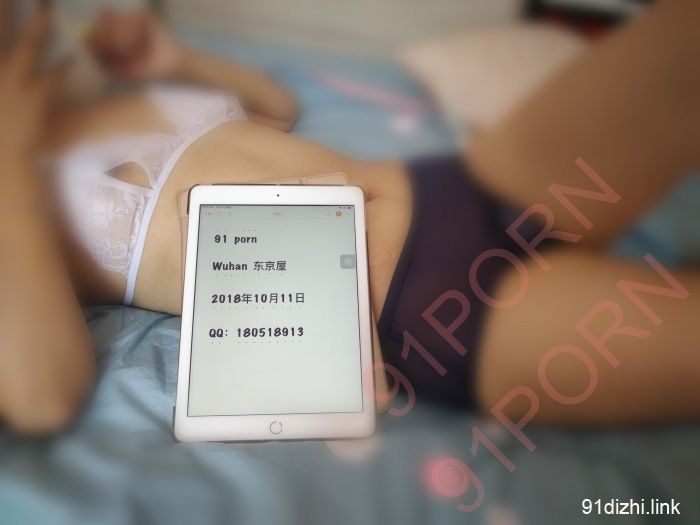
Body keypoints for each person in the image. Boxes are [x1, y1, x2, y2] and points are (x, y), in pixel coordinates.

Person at [1, 0, 698, 435]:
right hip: (427, 310)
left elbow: (275, 111)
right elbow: (41, 397)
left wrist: (176, 59)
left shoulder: (66, 95)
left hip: (457, 188)